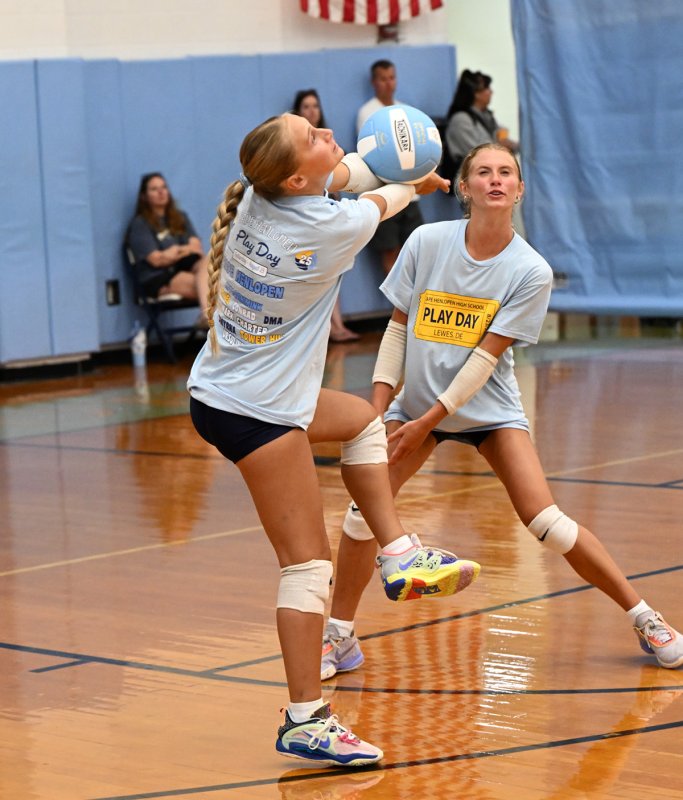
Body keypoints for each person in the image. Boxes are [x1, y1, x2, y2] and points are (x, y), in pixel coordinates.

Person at [320, 142, 683, 682]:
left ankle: (647, 618)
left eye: (506, 172)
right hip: (415, 404)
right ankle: (339, 636)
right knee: (360, 514)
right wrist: (379, 412)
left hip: (485, 412)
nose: (495, 179)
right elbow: (397, 329)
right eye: (483, 172)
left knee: (547, 522)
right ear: (463, 189)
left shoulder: (530, 270)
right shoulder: (426, 241)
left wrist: (426, 424)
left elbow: (483, 361)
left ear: (518, 189)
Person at [186, 112, 481, 767]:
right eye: (314, 137)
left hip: (221, 391)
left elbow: (352, 172)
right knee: (306, 567)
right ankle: (305, 719)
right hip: (257, 412)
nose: (327, 136)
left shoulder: (263, 196)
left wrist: (405, 170)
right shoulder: (325, 228)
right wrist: (416, 179)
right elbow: (378, 198)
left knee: (362, 421)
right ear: (298, 174)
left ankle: (399, 552)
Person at [291, 88, 359, 342]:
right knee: (310, 272)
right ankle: (319, 330)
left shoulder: (330, 144)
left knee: (333, 269)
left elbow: (339, 176)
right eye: (306, 106)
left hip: (328, 208)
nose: (312, 111)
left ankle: (336, 325)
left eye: (315, 106)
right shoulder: (293, 149)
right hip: (306, 221)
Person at [356, 59, 425, 275]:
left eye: (392, 78)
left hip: (409, 192)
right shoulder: (367, 112)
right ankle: (397, 303)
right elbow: (373, 152)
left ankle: (415, 301)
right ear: (374, 82)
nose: (388, 84)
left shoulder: (405, 110)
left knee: (416, 251)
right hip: (384, 192)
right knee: (390, 250)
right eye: (383, 79)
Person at [126, 172, 208, 313]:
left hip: (184, 267)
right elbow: (157, 260)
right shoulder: (140, 224)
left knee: (209, 262)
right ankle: (208, 317)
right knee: (212, 286)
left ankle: (206, 317)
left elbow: (196, 248)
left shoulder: (180, 217)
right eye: (154, 189)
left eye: (164, 187)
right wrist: (185, 249)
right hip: (159, 277)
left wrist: (175, 251)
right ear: (144, 197)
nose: (161, 192)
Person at [442, 70, 519, 190]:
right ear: (476, 93)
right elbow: (477, 153)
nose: (491, 92)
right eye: (487, 88)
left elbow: (497, 139)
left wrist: (512, 145)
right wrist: (501, 147)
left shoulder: (487, 117)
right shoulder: (461, 120)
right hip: (473, 183)